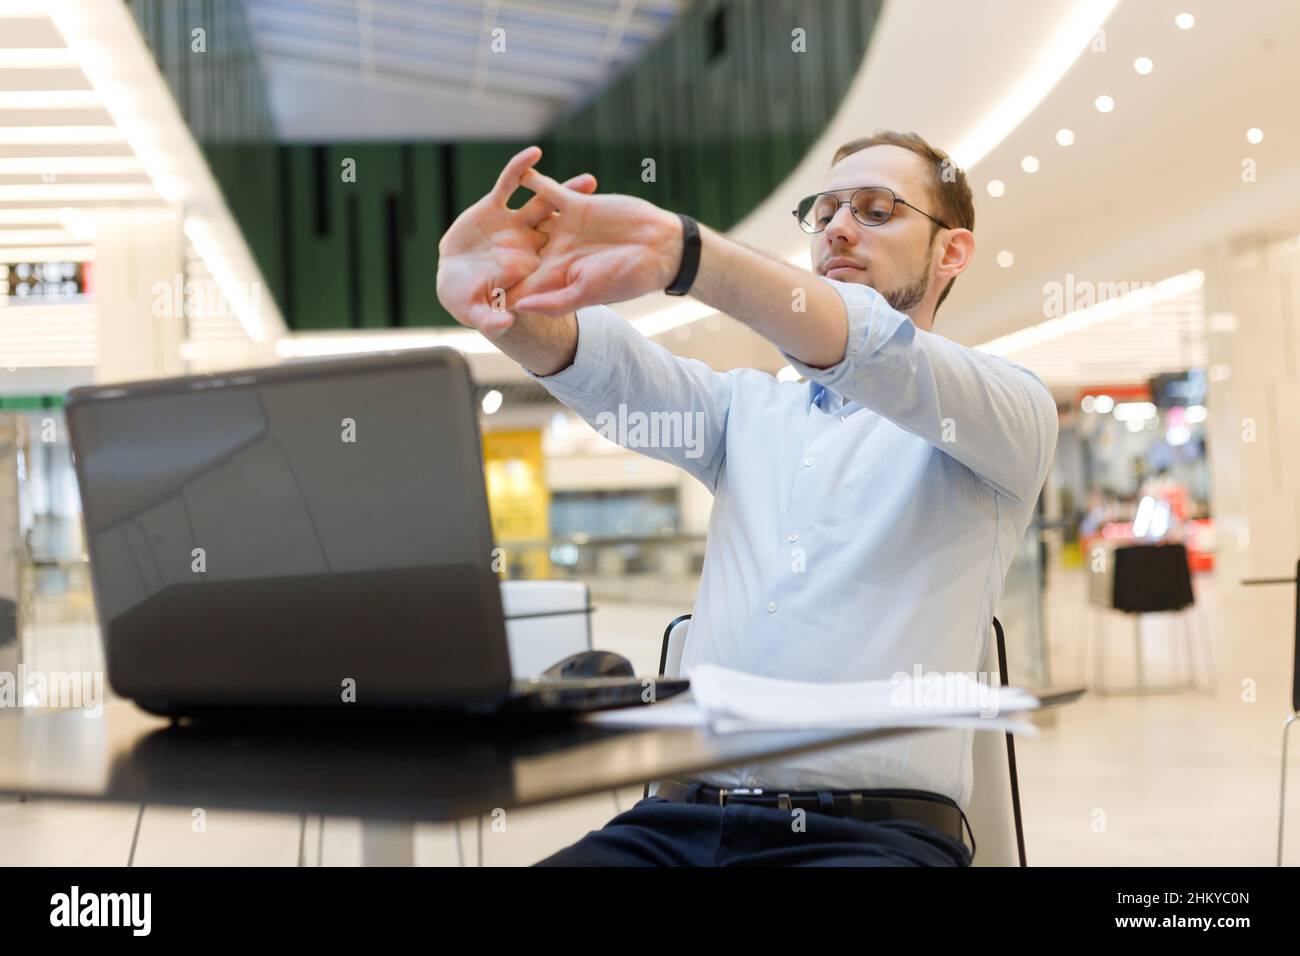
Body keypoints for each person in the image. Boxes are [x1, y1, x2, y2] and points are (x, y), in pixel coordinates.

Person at [436, 130, 1058, 866]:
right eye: (824, 210)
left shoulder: (1005, 413)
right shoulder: (747, 413)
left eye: (875, 209)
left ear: (951, 252)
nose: (836, 226)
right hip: (674, 826)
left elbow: (866, 344)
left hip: (868, 841)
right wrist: (502, 299)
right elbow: (613, 375)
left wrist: (684, 255)